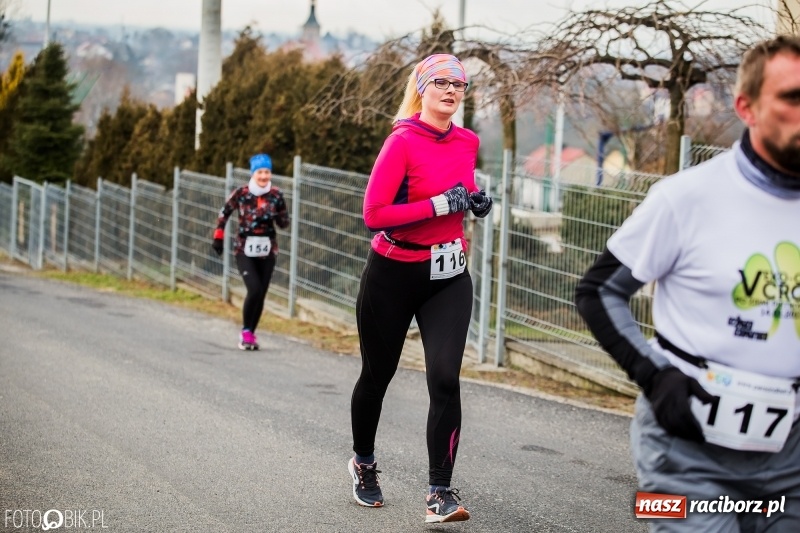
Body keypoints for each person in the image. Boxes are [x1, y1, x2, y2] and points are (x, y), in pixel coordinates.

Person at [575, 35, 800, 532]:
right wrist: (655, 377)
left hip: (792, 461)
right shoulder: (686, 198)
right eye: (793, 97)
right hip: (688, 448)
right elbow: (597, 291)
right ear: (747, 107)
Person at [347, 53, 492, 524]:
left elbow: (456, 192)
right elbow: (374, 214)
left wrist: (473, 201)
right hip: (393, 274)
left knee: (445, 378)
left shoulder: (468, 141)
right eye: (442, 83)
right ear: (422, 88)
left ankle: (439, 492)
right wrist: (435, 205)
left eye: (460, 85)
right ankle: (364, 464)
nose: (451, 91)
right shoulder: (402, 141)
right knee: (378, 374)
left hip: (448, 274)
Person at [212, 153, 289, 351]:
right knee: (253, 289)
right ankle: (245, 330)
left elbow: (283, 223)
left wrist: (278, 216)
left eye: (267, 172)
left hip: (268, 250)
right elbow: (224, 213)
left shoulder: (276, 195)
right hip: (244, 249)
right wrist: (218, 237)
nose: (264, 176)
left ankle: (250, 334)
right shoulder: (242, 193)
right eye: (260, 172)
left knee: (261, 294)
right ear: (253, 173)